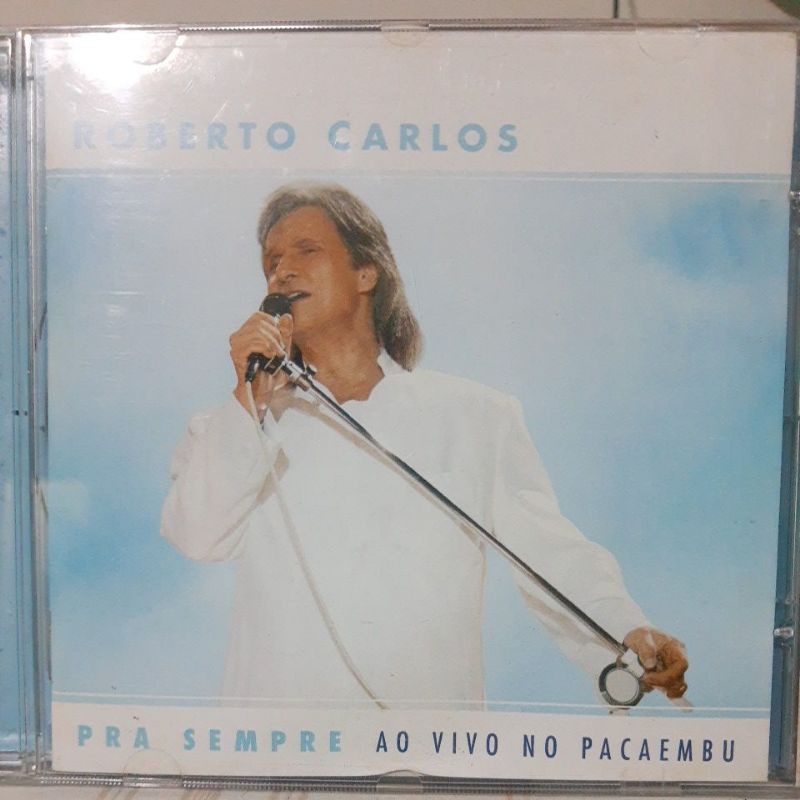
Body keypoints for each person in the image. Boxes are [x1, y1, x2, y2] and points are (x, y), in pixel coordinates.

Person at [161, 182, 688, 706]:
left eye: (307, 250)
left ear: (366, 272)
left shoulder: (475, 416)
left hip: (425, 738)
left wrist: (626, 630)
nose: (282, 271)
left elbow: (548, 550)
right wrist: (249, 399)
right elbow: (197, 538)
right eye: (272, 261)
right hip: (281, 739)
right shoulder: (235, 424)